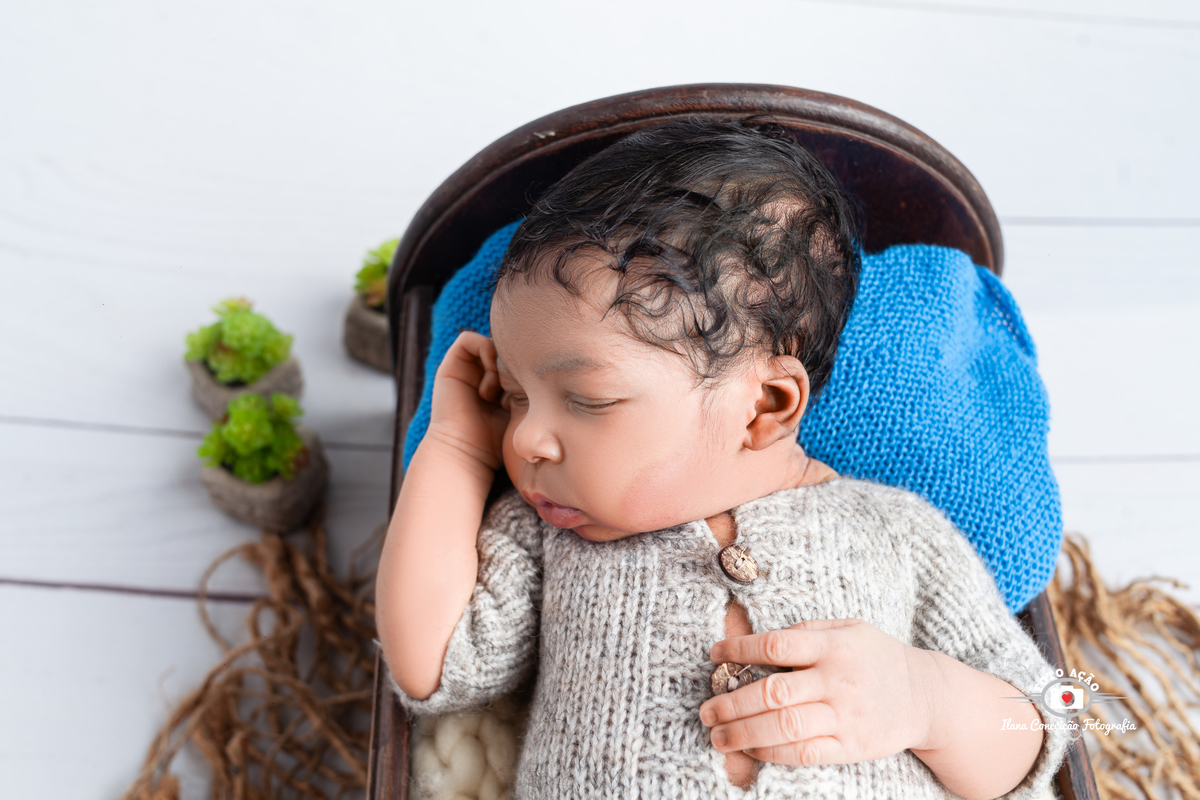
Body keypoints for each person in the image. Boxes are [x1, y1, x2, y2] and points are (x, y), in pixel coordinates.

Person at [374, 119, 1071, 799]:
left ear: (765, 405)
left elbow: (1038, 725)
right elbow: (431, 664)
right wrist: (457, 443)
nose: (525, 440)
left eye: (585, 399)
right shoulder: (547, 535)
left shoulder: (897, 531)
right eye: (518, 396)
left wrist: (925, 699)